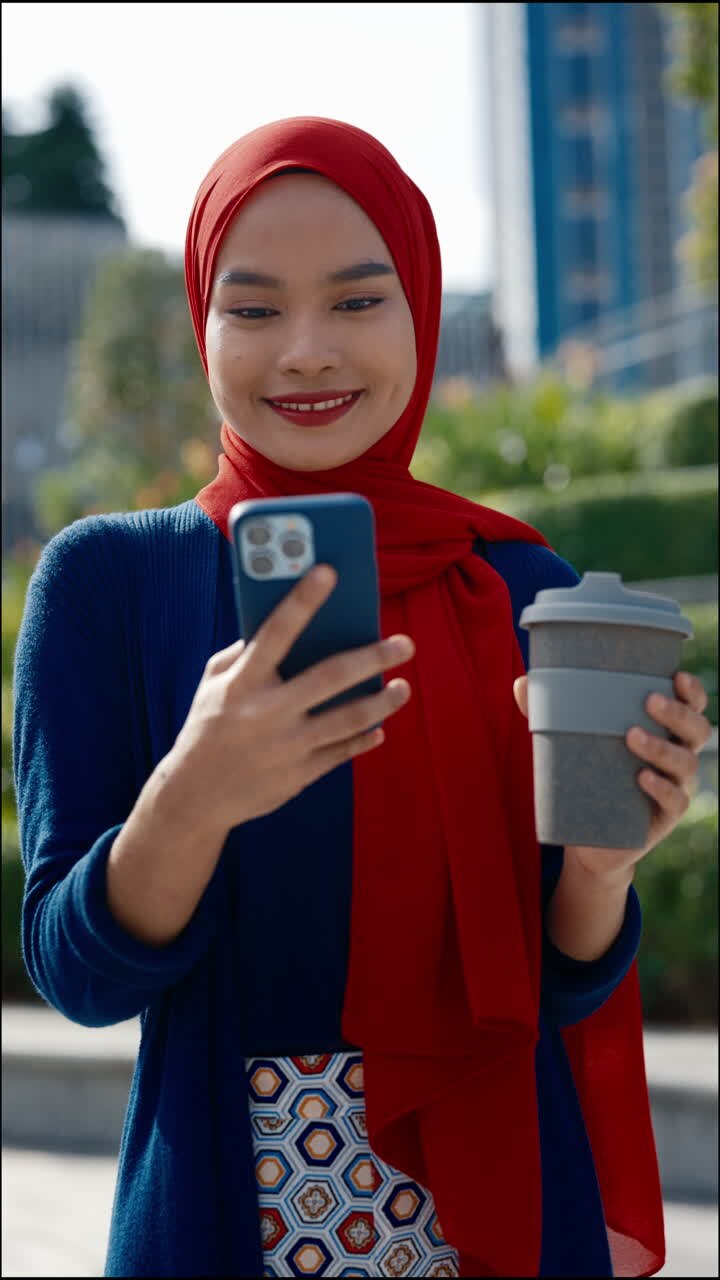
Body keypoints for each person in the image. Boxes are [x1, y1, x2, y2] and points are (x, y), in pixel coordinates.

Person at [13, 117, 711, 1280]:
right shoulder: (111, 583)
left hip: (503, 1213)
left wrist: (601, 867)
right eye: (252, 309)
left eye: (355, 300)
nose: (305, 352)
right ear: (203, 324)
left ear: (422, 308)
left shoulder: (521, 587)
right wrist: (192, 795)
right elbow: (76, 975)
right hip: (231, 1219)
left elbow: (560, 978)